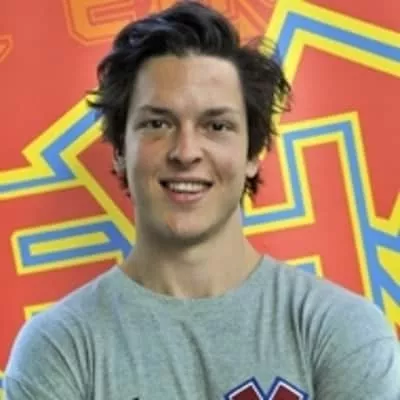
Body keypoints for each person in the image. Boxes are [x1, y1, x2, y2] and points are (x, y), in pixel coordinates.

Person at [4, 1, 400, 399]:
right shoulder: (59, 348)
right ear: (120, 150)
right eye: (157, 123)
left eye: (217, 126)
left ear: (253, 153)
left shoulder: (342, 330)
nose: (186, 152)